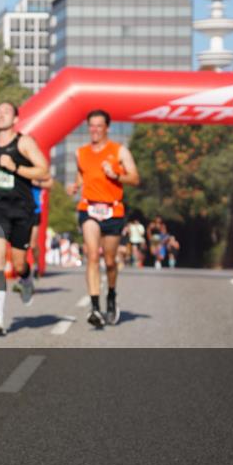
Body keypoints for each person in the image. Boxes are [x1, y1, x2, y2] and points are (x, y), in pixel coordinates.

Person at [0, 102, 51, 335]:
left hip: (21, 209)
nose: (1, 115)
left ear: (16, 119)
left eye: (6, 112)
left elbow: (44, 170)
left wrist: (15, 167)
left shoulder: (24, 142)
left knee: (19, 264)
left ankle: (26, 279)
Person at [66, 110, 140, 327]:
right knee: (91, 255)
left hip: (112, 210)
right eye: (91, 125)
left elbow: (135, 178)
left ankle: (112, 295)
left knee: (109, 262)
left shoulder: (119, 151)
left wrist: (116, 175)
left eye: (99, 126)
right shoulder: (81, 152)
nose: (95, 130)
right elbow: (82, 174)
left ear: (107, 127)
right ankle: (95, 308)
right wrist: (75, 186)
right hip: (88, 208)